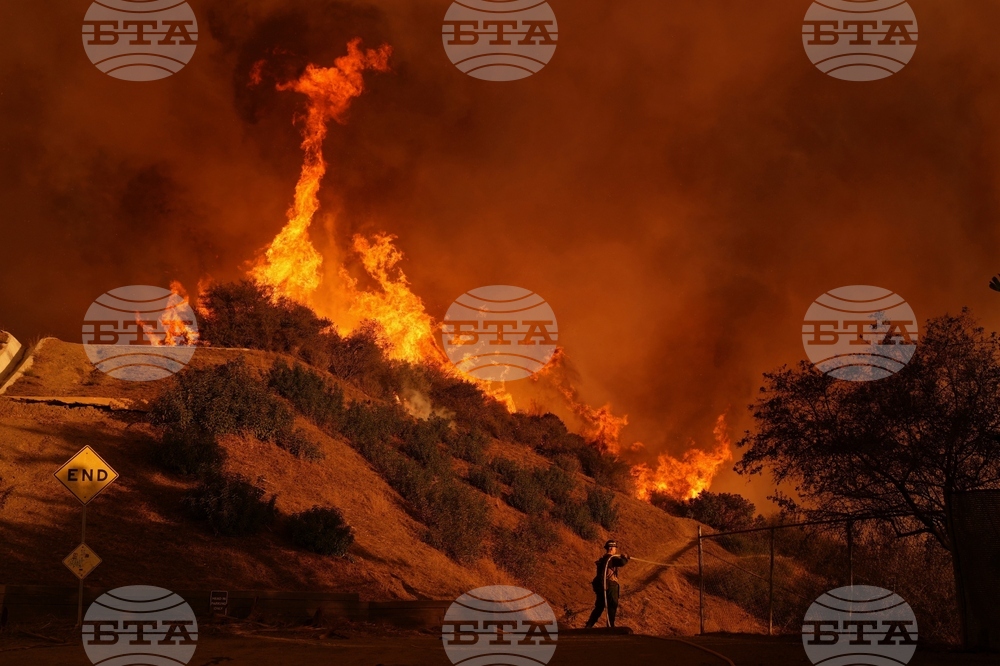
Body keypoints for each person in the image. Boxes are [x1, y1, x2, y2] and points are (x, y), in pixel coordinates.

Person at [585, 539, 630, 629]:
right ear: (611, 548)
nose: (615, 550)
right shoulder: (610, 558)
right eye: (615, 548)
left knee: (599, 606)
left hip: (602, 585)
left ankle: (589, 625)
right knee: (612, 605)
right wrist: (625, 557)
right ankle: (610, 626)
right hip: (610, 585)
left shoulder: (603, 559)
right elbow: (622, 562)